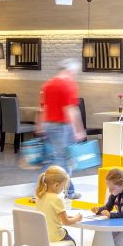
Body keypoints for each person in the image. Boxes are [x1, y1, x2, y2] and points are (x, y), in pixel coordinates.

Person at [40, 60, 84, 198]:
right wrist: (78, 130)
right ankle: (67, 191)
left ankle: (42, 188)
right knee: (64, 159)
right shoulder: (69, 84)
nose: (75, 75)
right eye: (75, 72)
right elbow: (70, 109)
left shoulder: (48, 84)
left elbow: (43, 108)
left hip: (48, 124)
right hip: (63, 127)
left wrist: (40, 125)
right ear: (70, 71)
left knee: (51, 159)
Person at [34, 165, 82, 246]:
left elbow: (50, 214)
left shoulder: (40, 195)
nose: (63, 189)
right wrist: (77, 218)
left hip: (41, 235)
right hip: (54, 236)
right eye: (63, 186)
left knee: (64, 233)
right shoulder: (57, 199)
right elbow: (66, 222)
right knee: (71, 242)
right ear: (56, 185)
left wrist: (66, 216)